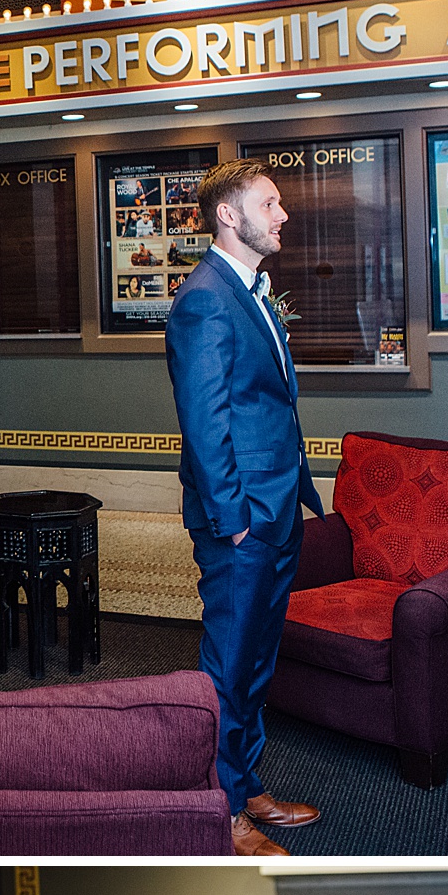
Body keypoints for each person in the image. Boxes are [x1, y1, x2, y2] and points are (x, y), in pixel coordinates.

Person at [164, 160, 325, 857]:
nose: (283, 213)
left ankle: (246, 781)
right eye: (271, 201)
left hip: (277, 506)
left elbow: (265, 402)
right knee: (227, 666)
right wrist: (233, 519)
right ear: (228, 215)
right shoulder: (203, 299)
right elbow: (204, 424)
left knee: (258, 659)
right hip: (242, 522)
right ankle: (220, 812)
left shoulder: (252, 290)